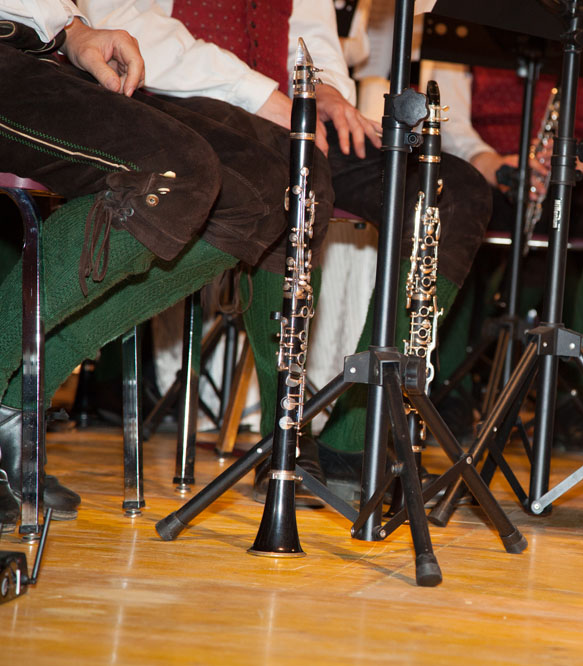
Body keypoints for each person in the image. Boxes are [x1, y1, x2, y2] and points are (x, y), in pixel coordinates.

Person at [84, 0, 493, 497]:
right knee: (297, 175)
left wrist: (327, 90)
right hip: (178, 97)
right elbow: (121, 21)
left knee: (451, 190)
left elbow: (310, 29)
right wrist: (261, 95)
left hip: (286, 111)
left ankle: (355, 437)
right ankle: (284, 437)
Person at [0, 0, 296, 532]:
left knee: (265, 192)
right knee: (173, 170)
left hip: (42, 51)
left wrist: (72, 28)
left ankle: (21, 394)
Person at [421, 59, 583, 448]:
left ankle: (575, 395)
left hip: (573, 178)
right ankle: (449, 391)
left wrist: (576, 158)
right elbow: (446, 117)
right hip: (490, 171)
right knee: (449, 192)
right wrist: (488, 161)